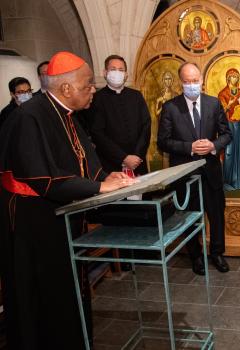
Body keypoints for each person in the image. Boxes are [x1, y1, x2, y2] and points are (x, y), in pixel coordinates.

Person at [0, 51, 134, 349]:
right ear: (66, 89)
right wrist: (97, 189)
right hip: (33, 225)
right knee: (42, 296)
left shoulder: (68, 114)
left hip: (60, 216)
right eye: (88, 85)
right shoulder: (29, 117)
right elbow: (43, 178)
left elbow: (83, 157)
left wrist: (104, 180)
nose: (93, 90)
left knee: (67, 291)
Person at [157, 62, 232, 275]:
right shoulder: (170, 108)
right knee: (189, 216)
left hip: (211, 171)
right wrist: (189, 147)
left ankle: (217, 253)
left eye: (195, 81)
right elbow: (162, 142)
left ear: (201, 80)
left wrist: (213, 145)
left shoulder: (214, 104)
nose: (192, 85)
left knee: (216, 214)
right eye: (187, 81)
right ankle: (196, 256)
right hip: (185, 173)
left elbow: (227, 134)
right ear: (181, 83)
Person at [86, 54, 151, 175]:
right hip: (111, 165)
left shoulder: (136, 96)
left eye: (121, 70)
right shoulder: (96, 99)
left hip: (138, 162)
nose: (117, 73)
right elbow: (97, 133)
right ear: (105, 73)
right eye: (113, 69)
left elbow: (146, 127)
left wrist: (137, 155)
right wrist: (123, 158)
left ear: (126, 75)